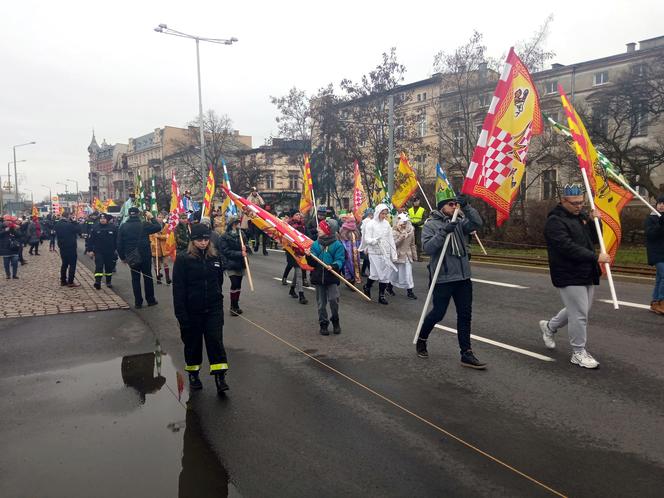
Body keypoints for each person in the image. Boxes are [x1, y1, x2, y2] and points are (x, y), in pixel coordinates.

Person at [539, 184, 610, 369]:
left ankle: (549, 327)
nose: (579, 206)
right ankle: (578, 352)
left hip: (586, 271)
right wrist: (596, 257)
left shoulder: (582, 218)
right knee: (579, 315)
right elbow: (566, 247)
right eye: (575, 203)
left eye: (581, 202)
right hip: (567, 272)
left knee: (580, 311)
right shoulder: (554, 222)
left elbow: (594, 240)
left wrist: (596, 222)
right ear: (563, 201)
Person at [415, 189, 486, 369]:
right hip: (443, 277)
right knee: (438, 313)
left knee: (465, 315)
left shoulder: (461, 222)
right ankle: (423, 337)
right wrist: (443, 232)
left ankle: (466, 353)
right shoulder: (431, 224)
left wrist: (467, 206)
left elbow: (477, 223)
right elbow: (428, 248)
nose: (455, 206)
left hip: (463, 277)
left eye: (456, 204)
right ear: (441, 207)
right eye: (451, 204)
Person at [172, 223, 229, 394]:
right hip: (192, 311)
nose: (203, 242)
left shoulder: (215, 257)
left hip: (213, 309)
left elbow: (219, 282)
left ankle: (220, 376)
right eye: (199, 240)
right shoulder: (183, 259)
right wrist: (181, 314)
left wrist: (217, 302)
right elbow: (178, 289)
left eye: (206, 239)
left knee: (215, 342)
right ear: (193, 240)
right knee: (192, 344)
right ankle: (193, 374)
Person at [117, 208, 162, 308]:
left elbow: (119, 243)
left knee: (135, 279)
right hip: (145, 254)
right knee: (148, 277)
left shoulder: (123, 226)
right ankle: (150, 300)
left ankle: (138, 302)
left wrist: (122, 257)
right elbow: (158, 227)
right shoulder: (144, 224)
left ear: (129, 214)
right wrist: (152, 217)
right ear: (138, 214)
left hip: (132, 256)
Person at [307, 219, 346, 335]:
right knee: (321, 303)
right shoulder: (315, 244)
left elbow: (340, 259)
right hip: (319, 278)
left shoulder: (337, 245)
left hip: (331, 277)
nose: (318, 230)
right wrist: (309, 256)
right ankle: (323, 323)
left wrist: (334, 266)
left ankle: (335, 320)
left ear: (328, 231)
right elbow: (312, 263)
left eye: (321, 228)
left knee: (334, 300)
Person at [359, 204, 397, 305]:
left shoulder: (387, 224)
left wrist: (393, 253)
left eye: (385, 214)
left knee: (385, 275)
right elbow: (367, 238)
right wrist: (375, 240)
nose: (384, 216)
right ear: (378, 213)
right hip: (374, 252)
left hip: (385, 252)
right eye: (382, 213)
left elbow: (391, 239)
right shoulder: (370, 224)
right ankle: (367, 286)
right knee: (375, 274)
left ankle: (381, 295)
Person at [218, 216, 251, 316]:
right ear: (233, 224)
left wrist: (246, 248)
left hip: (241, 263)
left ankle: (236, 305)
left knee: (239, 285)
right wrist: (239, 253)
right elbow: (225, 251)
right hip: (230, 263)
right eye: (237, 223)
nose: (239, 224)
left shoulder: (241, 234)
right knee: (234, 283)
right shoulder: (224, 236)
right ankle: (232, 306)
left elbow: (247, 246)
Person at [388, 213, 418, 299]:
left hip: (407, 256)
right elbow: (393, 245)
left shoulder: (411, 231)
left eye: (405, 222)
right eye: (402, 222)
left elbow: (412, 244)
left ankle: (410, 292)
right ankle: (389, 287)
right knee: (394, 273)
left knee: (408, 274)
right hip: (397, 255)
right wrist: (401, 237)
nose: (404, 224)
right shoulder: (393, 231)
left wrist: (414, 255)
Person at [86, 213, 118, 289]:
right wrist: (90, 250)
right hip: (98, 251)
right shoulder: (95, 228)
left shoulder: (113, 228)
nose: (102, 220)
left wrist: (117, 250)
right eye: (101, 219)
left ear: (107, 219)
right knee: (99, 267)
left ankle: (108, 282)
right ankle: (97, 282)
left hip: (110, 252)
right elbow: (91, 240)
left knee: (109, 268)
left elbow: (116, 240)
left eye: (104, 219)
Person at [645, 195, 664, 314]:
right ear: (656, 205)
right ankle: (662, 301)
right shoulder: (651, 218)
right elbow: (650, 235)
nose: (662, 205)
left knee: (659, 278)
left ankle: (655, 302)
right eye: (659, 203)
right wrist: (660, 224)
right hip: (656, 253)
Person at [54, 213, 82, 287]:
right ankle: (70, 281)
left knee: (64, 264)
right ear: (68, 216)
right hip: (71, 247)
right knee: (72, 265)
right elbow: (79, 230)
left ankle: (63, 281)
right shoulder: (70, 224)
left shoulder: (57, 224)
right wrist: (75, 222)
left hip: (62, 247)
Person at [338, 215, 362, 284]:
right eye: (351, 221)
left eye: (353, 221)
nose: (352, 223)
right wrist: (344, 251)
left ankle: (354, 278)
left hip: (355, 252)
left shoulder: (356, 230)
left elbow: (359, 240)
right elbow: (342, 241)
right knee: (347, 266)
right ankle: (349, 280)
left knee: (356, 265)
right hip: (347, 252)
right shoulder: (343, 229)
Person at [150, 213, 171, 285]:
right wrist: (153, 242)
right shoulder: (153, 226)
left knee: (166, 263)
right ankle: (158, 278)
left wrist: (159, 236)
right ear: (156, 218)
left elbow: (168, 236)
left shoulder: (167, 226)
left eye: (162, 217)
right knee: (157, 265)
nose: (160, 218)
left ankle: (167, 278)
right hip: (156, 248)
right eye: (159, 217)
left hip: (164, 248)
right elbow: (151, 237)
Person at [359, 208, 374, 277]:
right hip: (367, 241)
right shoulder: (368, 221)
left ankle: (363, 271)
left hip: (365, 240)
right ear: (370, 214)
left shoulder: (365, 221)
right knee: (368, 258)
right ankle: (372, 273)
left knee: (366, 258)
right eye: (372, 214)